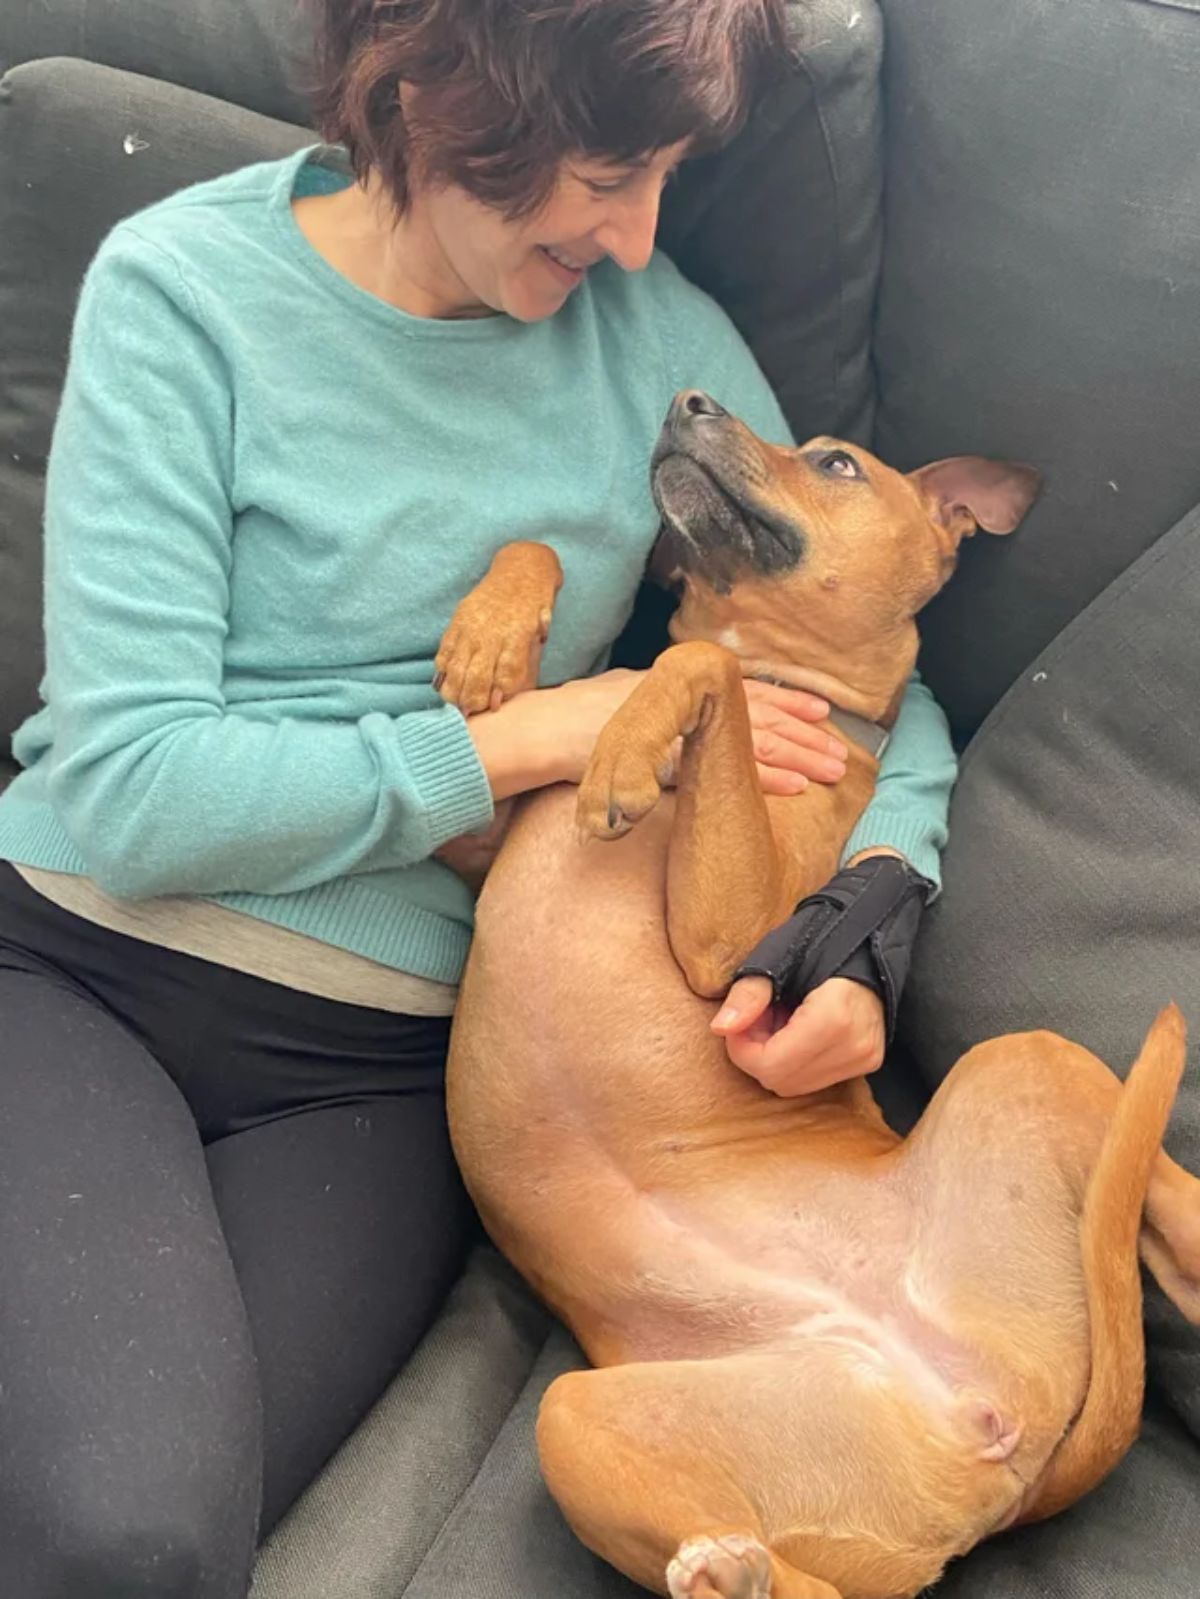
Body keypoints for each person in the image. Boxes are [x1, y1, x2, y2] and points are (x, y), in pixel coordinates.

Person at [0, 1, 955, 1592]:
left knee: (150, 1534)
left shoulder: (660, 349)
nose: (643, 237)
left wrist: (871, 921)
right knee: (126, 1531)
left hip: (382, 1072)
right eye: (607, 172)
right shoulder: (184, 292)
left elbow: (869, 659)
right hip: (86, 968)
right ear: (444, 97)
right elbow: (130, 792)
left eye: (666, 178)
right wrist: (527, 742)